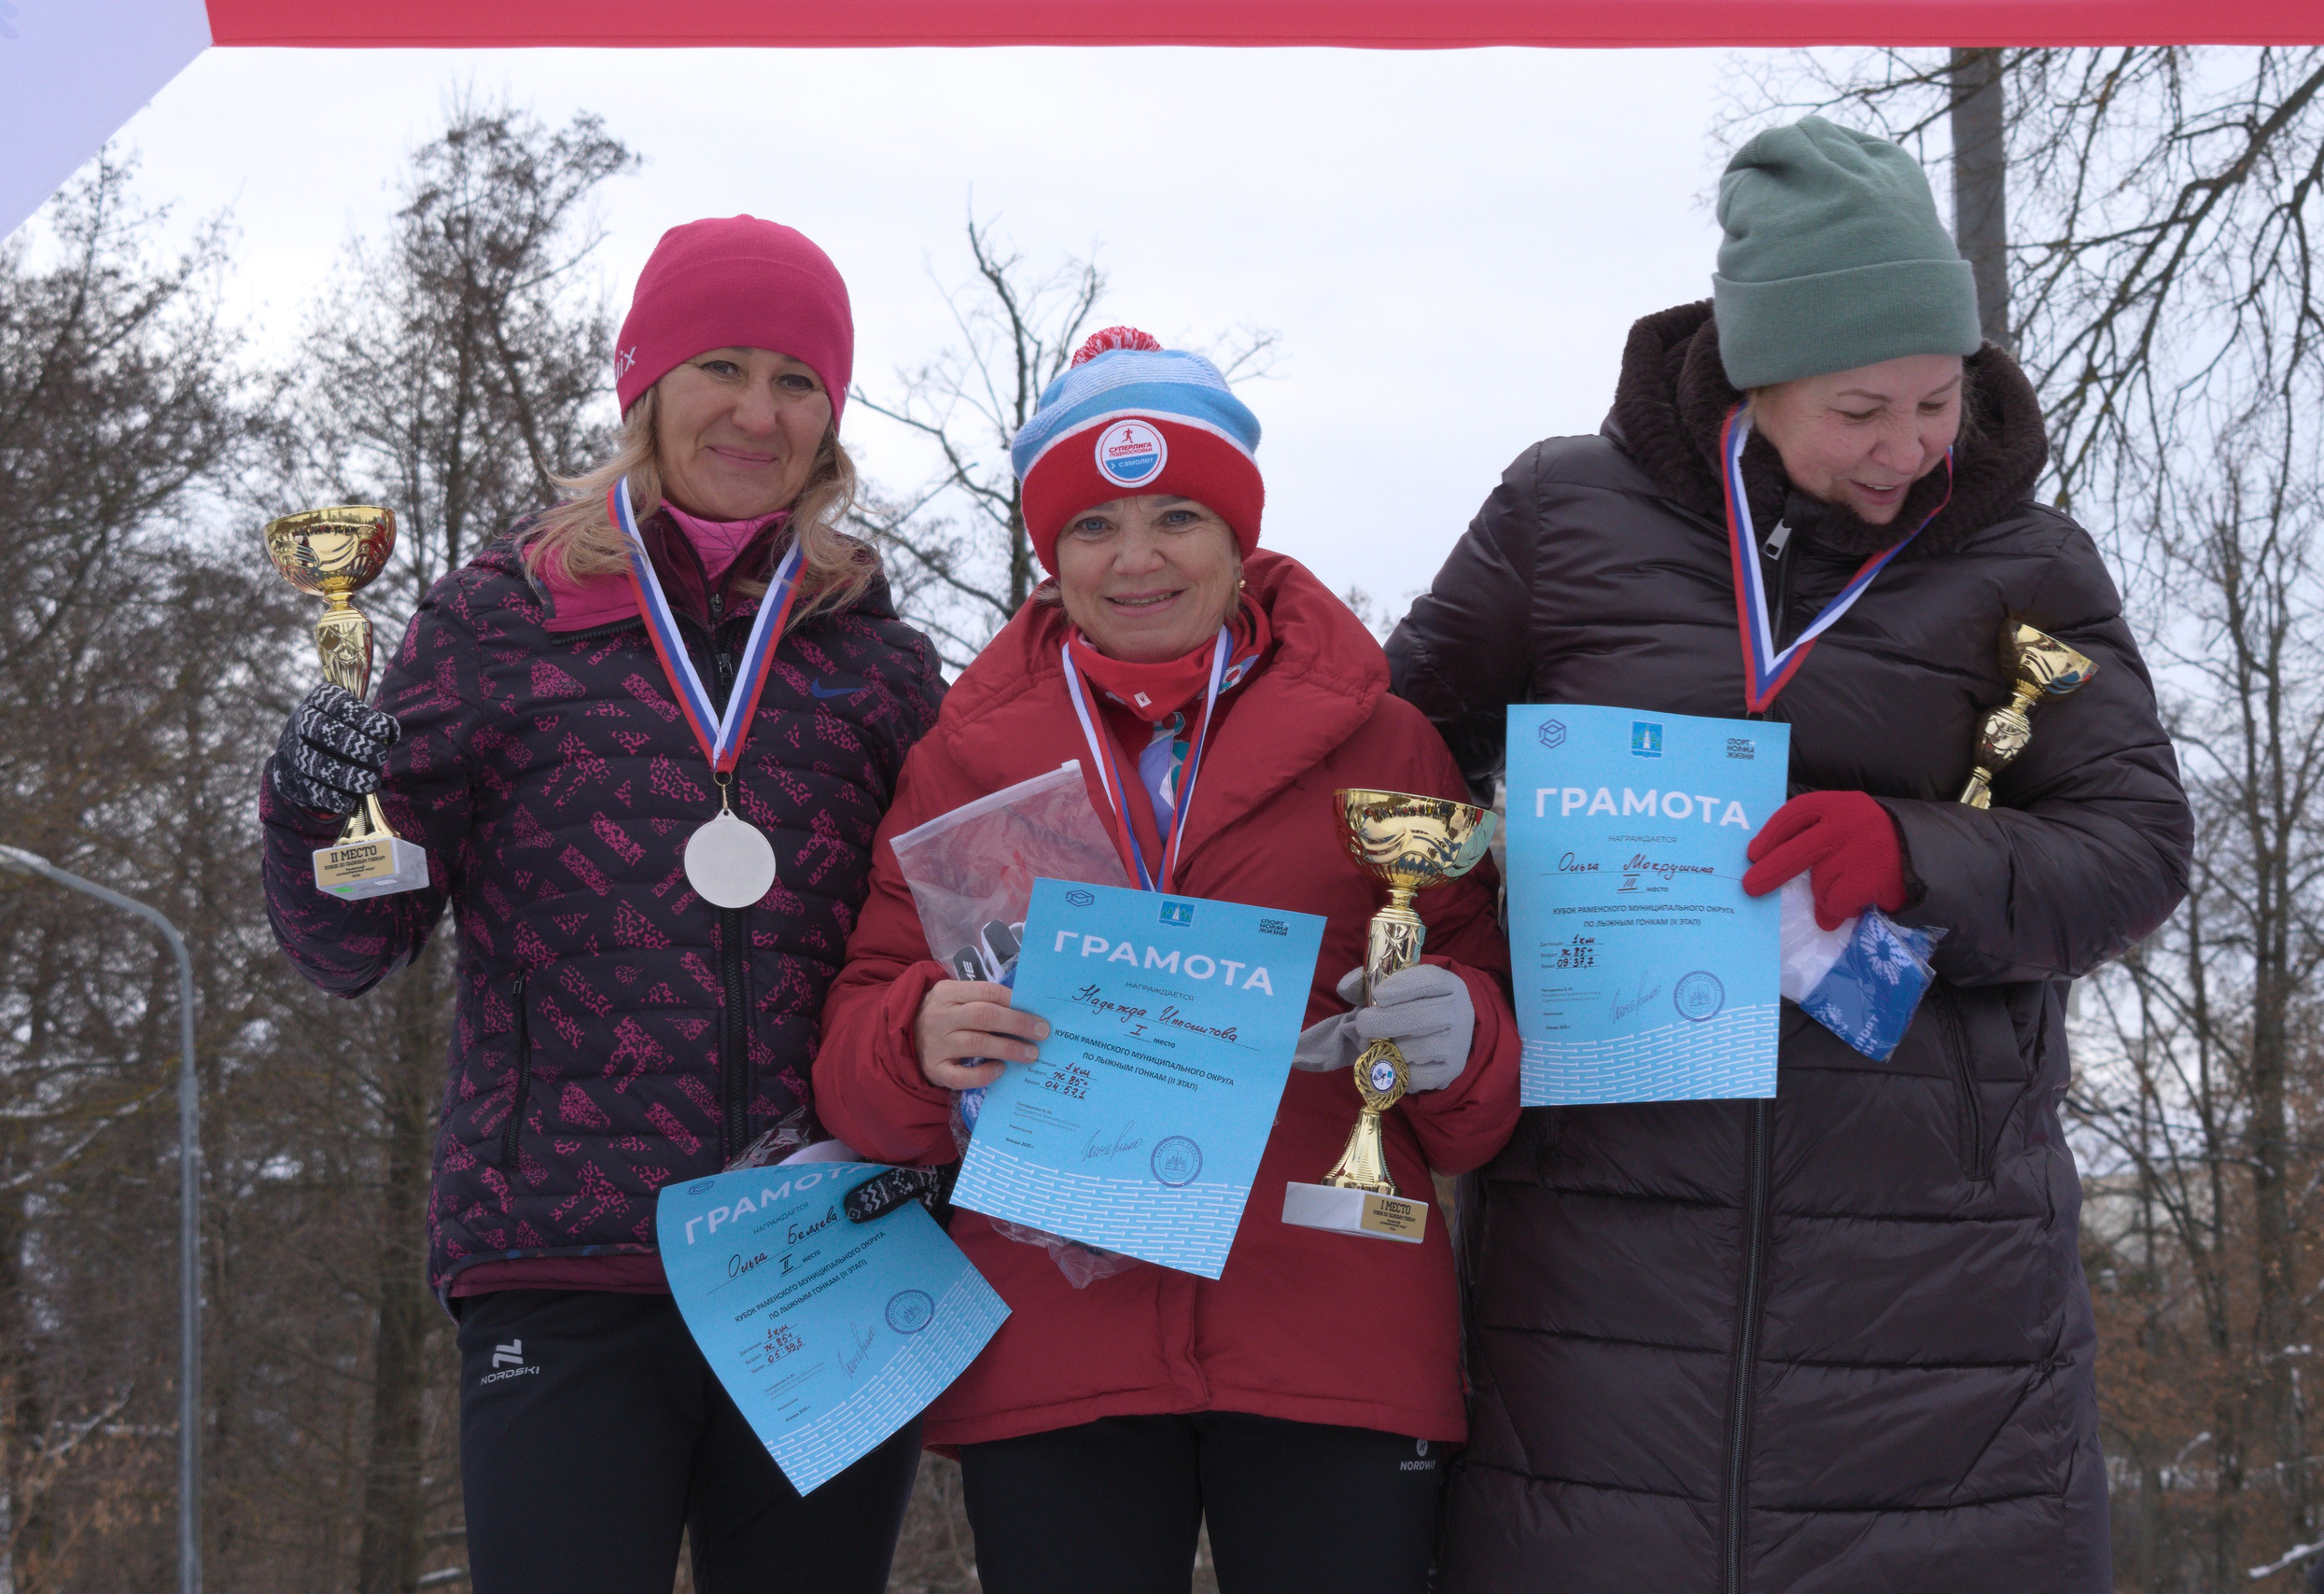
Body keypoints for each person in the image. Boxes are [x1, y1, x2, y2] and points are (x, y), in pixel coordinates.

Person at [1388, 119, 2192, 1592]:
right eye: (1859, 409)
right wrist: (1490, 928)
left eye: (1939, 402)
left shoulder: (2028, 569)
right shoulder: (1565, 517)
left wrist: (1914, 850)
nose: (1906, 449)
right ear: (1756, 381)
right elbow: (1395, 758)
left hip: (1936, 1278)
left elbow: (2135, 848)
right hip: (1604, 1243)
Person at [259, 216, 944, 1593]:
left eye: (798, 381)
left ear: (833, 420)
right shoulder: (499, 621)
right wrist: (315, 805)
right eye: (721, 367)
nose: (758, 412)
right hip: (563, 1256)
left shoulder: (875, 656)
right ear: (644, 387)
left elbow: (946, 930)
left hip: (833, 1245)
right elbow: (353, 939)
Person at [812, 327, 1522, 1594]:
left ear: (1238, 536)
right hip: (1054, 1341)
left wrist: (1461, 1036)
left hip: (1332, 1325)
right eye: (1093, 527)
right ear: (1051, 554)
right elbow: (863, 1066)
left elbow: (1479, 1097)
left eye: (1178, 516)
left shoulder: (1387, 743)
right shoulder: (960, 762)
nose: (1136, 559)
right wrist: (914, 1039)